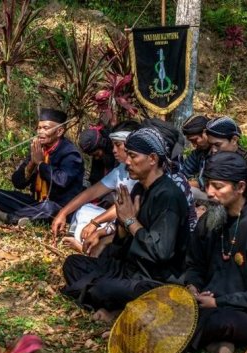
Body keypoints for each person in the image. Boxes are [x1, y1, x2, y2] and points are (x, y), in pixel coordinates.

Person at [61, 128, 190, 322]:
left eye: (132, 156)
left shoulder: (168, 196)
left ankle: (118, 308)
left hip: (155, 279)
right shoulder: (139, 188)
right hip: (130, 269)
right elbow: (120, 249)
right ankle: (114, 303)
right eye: (127, 155)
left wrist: (131, 222)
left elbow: (161, 252)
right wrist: (121, 227)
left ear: (152, 159)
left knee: (103, 288)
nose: (127, 161)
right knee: (73, 264)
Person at [185, 151, 247, 353]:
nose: (209, 192)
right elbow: (194, 265)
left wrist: (220, 302)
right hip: (205, 305)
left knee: (221, 321)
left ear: (241, 187)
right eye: (207, 184)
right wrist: (193, 287)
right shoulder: (207, 221)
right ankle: (220, 346)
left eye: (218, 186)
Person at [51, 121, 141, 254]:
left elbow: (123, 208)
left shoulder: (141, 171)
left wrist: (95, 223)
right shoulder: (121, 169)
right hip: (118, 220)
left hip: (133, 224)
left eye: (118, 145)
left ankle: (89, 249)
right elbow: (91, 193)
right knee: (84, 210)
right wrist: (63, 213)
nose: (114, 150)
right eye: (113, 145)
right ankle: (88, 246)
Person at [0, 108, 84, 225]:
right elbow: (18, 183)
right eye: (39, 128)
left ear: (59, 131)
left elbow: (61, 181)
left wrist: (41, 164)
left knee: (49, 208)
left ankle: (9, 217)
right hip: (36, 202)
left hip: (59, 206)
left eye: (45, 128)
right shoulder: (39, 148)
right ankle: (28, 217)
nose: (40, 132)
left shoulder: (70, 153)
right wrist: (32, 163)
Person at [180, 114, 211, 190]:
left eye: (195, 140)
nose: (194, 145)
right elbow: (184, 170)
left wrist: (181, 183)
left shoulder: (220, 152)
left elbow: (209, 183)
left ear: (205, 133)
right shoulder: (199, 152)